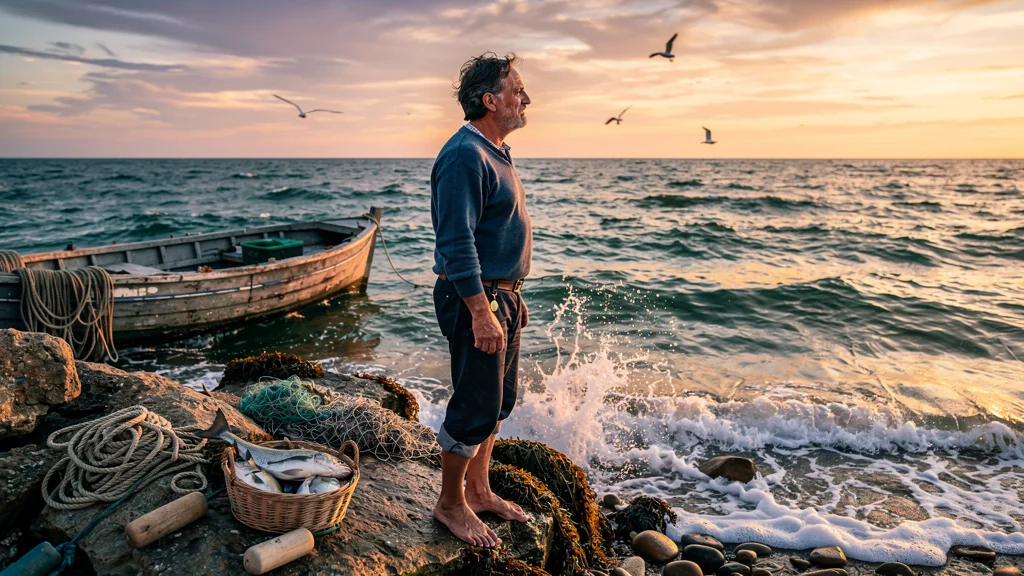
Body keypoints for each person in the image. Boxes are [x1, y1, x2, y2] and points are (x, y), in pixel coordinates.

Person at [429, 52, 533, 548]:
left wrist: (511, 298)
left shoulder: (495, 151)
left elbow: (495, 234)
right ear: (490, 100)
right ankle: (450, 504)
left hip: (500, 298)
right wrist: (481, 310)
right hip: (475, 299)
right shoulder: (463, 155)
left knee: (498, 403)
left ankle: (479, 488)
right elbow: (456, 243)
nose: (525, 98)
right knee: (474, 405)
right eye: (517, 90)